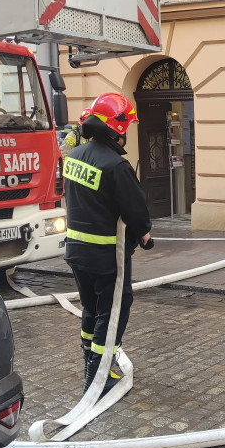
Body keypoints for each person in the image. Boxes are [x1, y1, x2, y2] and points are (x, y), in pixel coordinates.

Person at [63, 92, 153, 396]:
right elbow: (136, 210)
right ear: (118, 128)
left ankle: (88, 359)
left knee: (90, 308)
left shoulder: (73, 157)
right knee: (115, 309)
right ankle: (98, 376)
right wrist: (145, 234)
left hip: (75, 251)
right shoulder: (116, 166)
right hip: (107, 255)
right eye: (126, 124)